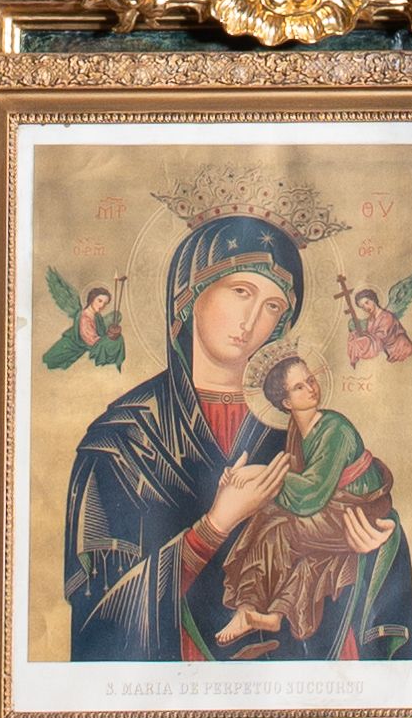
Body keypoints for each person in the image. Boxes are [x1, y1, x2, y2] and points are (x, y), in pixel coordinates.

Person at [65, 208, 321, 663]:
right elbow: (98, 621)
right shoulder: (121, 442)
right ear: (190, 297)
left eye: (272, 306)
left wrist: (364, 545)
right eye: (241, 291)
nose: (251, 320)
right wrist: (213, 527)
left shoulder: (296, 430)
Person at [212, 344, 412, 658]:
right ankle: (263, 612)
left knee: (277, 526)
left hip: (356, 511)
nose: (310, 388)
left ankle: (248, 607)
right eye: (299, 387)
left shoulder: (335, 429)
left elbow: (310, 495)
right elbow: (299, 479)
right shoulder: (297, 429)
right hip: (333, 509)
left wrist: (258, 473)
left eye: (310, 380)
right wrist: (243, 478)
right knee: (280, 529)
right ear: (286, 402)